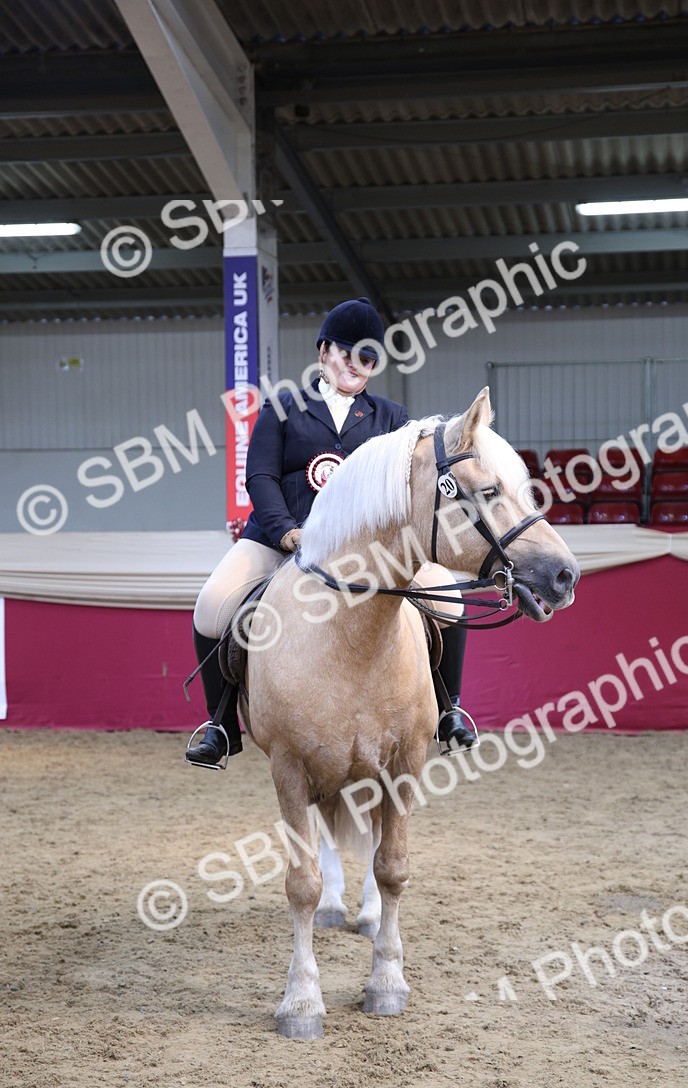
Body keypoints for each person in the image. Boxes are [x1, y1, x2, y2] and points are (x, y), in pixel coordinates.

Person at [185, 296, 476, 768]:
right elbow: (259, 476)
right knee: (213, 603)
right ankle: (220, 725)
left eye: (368, 357)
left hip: (364, 554)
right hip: (280, 540)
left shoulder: (389, 418)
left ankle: (450, 709)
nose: (356, 365)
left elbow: (404, 488)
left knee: (449, 598)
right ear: (324, 352)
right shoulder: (282, 408)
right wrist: (285, 532)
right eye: (347, 353)